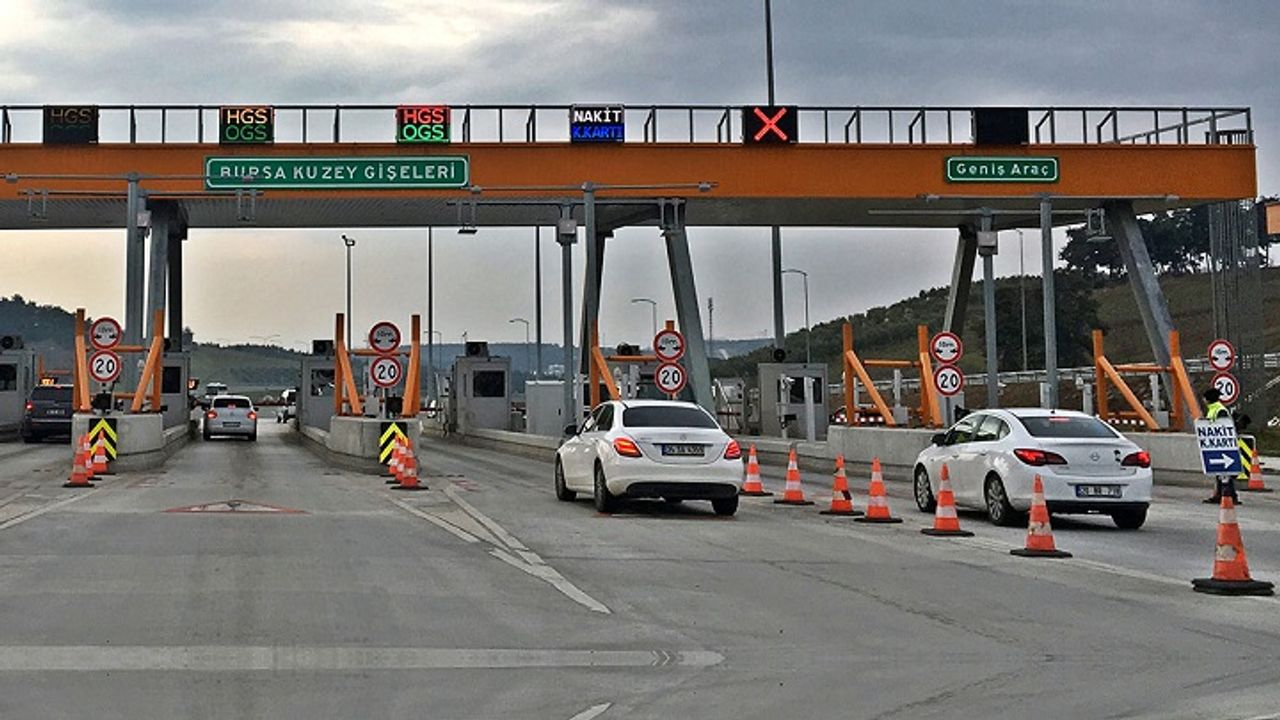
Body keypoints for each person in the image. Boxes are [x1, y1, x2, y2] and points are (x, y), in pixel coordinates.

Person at [1202, 387, 1241, 505]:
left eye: (1204, 398)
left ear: (1208, 399)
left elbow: (1223, 427)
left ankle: (1229, 496)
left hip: (1223, 445)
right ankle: (1221, 494)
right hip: (1216, 445)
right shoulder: (1214, 409)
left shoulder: (1219, 410)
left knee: (1225, 473)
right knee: (1220, 472)